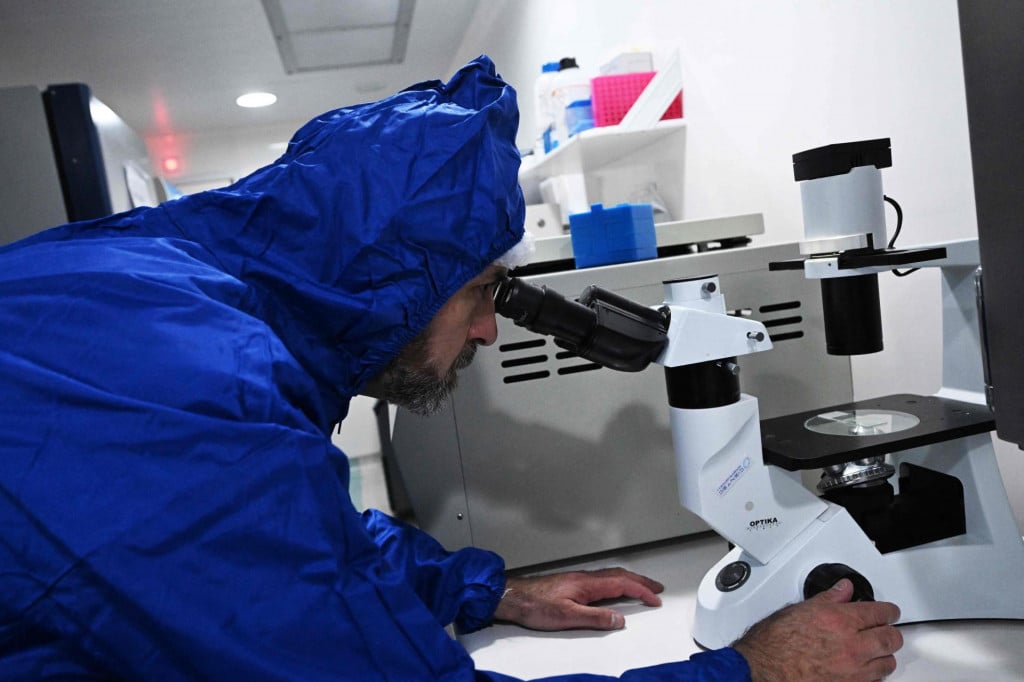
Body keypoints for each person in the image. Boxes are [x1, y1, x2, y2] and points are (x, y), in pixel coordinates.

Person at [0, 56, 901, 680]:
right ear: (390, 280)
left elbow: (295, 545)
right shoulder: (193, 391)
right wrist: (756, 671)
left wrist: (484, 589)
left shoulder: (159, 280)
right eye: (477, 294)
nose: (487, 334)